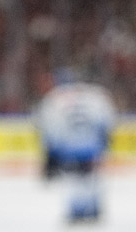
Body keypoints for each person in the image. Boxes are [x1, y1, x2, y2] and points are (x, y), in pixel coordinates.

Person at [35, 74, 116, 223]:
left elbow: (49, 128)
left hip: (68, 146)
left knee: (72, 176)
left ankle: (76, 208)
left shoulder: (54, 99)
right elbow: (106, 121)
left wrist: (51, 155)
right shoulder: (96, 96)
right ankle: (92, 205)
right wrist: (104, 141)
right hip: (91, 144)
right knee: (90, 174)